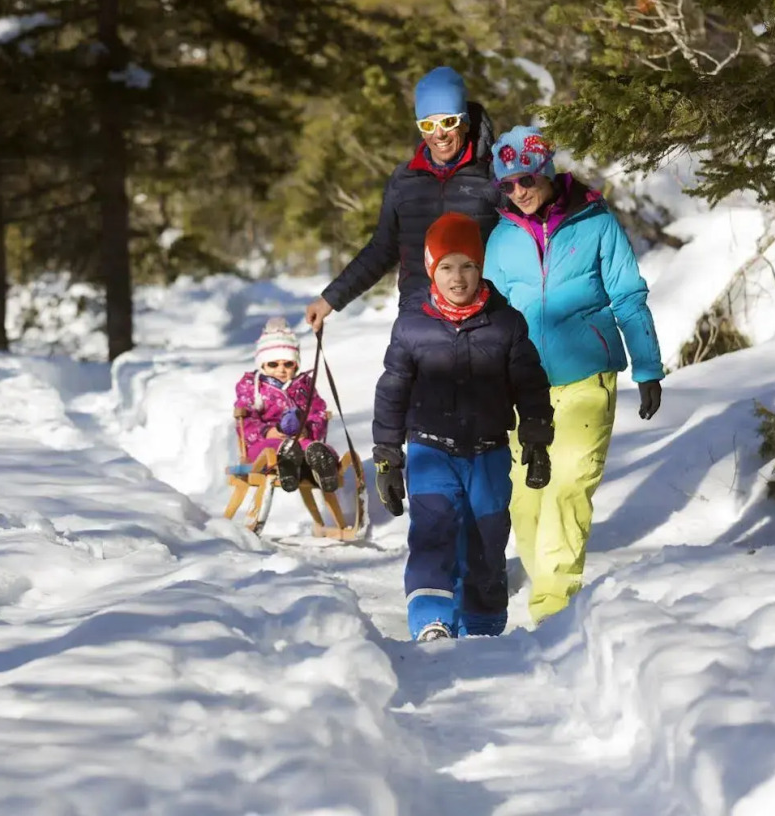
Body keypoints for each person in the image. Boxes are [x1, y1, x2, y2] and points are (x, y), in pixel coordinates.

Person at [482, 125, 665, 625]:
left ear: (545, 170)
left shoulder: (596, 222)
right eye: (507, 184)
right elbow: (490, 317)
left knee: (568, 485)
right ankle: (544, 584)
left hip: (587, 375)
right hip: (521, 387)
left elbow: (627, 293)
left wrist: (647, 366)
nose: (518, 191)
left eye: (525, 179)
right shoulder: (501, 238)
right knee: (525, 498)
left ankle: (554, 607)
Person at [370, 212, 553, 642]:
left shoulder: (506, 323)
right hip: (430, 449)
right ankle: (432, 619)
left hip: (489, 451)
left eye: (468, 265)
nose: (458, 277)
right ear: (431, 269)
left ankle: (483, 626)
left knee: (486, 536)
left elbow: (530, 384)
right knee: (432, 533)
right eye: (447, 266)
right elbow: (392, 391)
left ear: (481, 267)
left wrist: (536, 437)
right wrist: (388, 458)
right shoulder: (412, 326)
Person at [304, 66, 501, 332]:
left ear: (464, 123)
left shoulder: (492, 176)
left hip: (481, 320)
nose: (439, 134)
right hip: (420, 319)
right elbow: (381, 249)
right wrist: (330, 300)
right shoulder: (404, 181)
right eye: (428, 125)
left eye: (448, 122)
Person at [234, 318, 338, 493]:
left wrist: (307, 431)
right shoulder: (253, 386)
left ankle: (323, 465)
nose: (281, 369)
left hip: (300, 439)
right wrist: (266, 431)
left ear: (296, 365)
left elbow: (317, 413)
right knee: (271, 449)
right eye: (273, 364)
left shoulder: (303, 385)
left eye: (288, 364)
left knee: (315, 448)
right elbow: (246, 419)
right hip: (266, 442)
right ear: (262, 364)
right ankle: (288, 467)